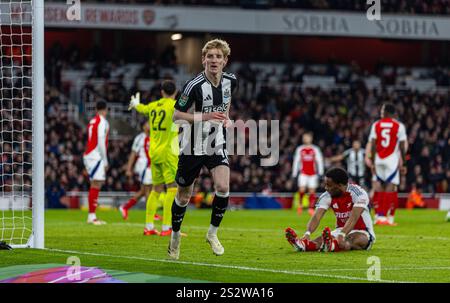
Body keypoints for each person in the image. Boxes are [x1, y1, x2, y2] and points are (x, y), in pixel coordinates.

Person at [167, 39, 238, 260]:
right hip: (191, 145)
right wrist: (205, 116)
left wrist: (226, 118)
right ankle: (175, 235)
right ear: (203, 60)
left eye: (218, 57)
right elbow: (177, 115)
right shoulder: (193, 85)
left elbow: (227, 102)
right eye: (210, 56)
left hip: (216, 142)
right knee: (184, 195)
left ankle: (212, 233)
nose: (214, 60)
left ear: (225, 61)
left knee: (223, 186)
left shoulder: (231, 81)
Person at [129, 80, 180, 236]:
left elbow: (141, 108)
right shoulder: (174, 106)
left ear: (162, 92)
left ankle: (149, 226)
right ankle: (166, 228)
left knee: (156, 189)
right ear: (175, 92)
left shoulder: (153, 106)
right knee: (172, 188)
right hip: (168, 153)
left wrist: (135, 104)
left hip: (154, 153)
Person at [285, 167, 375, 252]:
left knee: (353, 239)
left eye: (329, 185)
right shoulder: (327, 195)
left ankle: (332, 245)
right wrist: (308, 233)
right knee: (320, 240)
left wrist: (342, 235)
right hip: (340, 230)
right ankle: (303, 245)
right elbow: (316, 216)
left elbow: (353, 218)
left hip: (362, 231)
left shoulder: (358, 194)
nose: (326, 188)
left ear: (339, 185)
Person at [366, 103, 408, 226]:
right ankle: (386, 217)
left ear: (386, 112)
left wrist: (373, 161)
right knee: (391, 186)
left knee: (378, 186)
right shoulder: (399, 126)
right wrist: (404, 163)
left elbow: (373, 144)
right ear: (394, 113)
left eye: (382, 110)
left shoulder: (376, 125)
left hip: (378, 158)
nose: (381, 112)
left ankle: (378, 215)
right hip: (392, 159)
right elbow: (402, 146)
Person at [119, 121, 157, 221]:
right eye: (147, 124)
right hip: (144, 165)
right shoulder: (140, 138)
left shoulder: (154, 135)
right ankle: (151, 213)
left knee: (144, 191)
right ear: (143, 127)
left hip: (151, 165)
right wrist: (128, 168)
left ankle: (125, 207)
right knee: (148, 189)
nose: (150, 126)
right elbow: (133, 154)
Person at [83, 101, 109, 225]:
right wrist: (105, 160)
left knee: (95, 183)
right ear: (106, 110)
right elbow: (101, 140)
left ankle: (92, 214)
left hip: (89, 154)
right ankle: (92, 216)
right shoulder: (102, 121)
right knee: (96, 183)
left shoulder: (92, 121)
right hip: (95, 155)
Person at [292, 132, 324, 216]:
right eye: (304, 137)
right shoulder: (300, 149)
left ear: (311, 138)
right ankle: (300, 205)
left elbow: (319, 161)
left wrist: (321, 172)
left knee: (312, 191)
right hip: (303, 173)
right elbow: (296, 161)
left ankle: (310, 208)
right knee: (302, 190)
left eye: (307, 137)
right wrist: (294, 173)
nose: (305, 139)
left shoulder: (315, 149)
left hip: (313, 174)